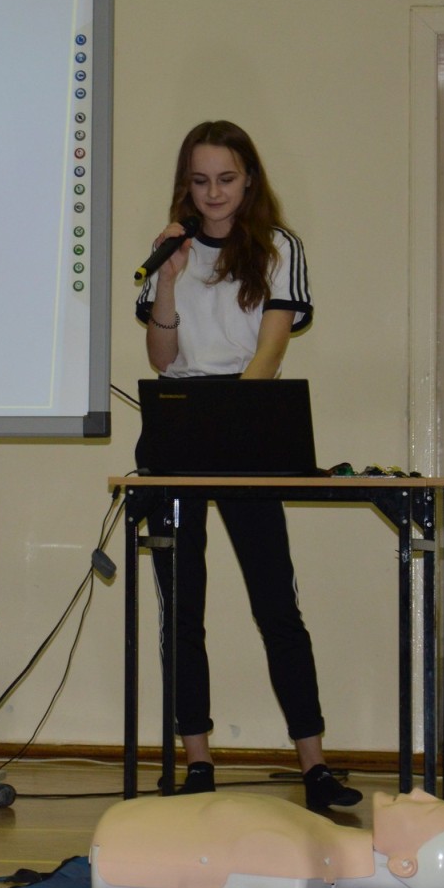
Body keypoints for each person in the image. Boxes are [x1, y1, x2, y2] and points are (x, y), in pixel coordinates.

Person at [135, 119, 358, 811]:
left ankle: (314, 765)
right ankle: (197, 762)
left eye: (227, 179)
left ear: (250, 180)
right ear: (186, 184)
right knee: (183, 609)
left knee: (275, 604)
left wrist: (233, 421)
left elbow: (271, 351)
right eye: (201, 181)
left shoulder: (278, 248)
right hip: (180, 425)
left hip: (248, 419)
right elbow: (162, 360)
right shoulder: (169, 251)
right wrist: (168, 280)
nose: (214, 193)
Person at [89, 789, 444, 888]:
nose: (418, 793)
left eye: (427, 808)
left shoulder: (296, 866)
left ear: (404, 865)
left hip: (118, 836)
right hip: (123, 825)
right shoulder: (313, 844)